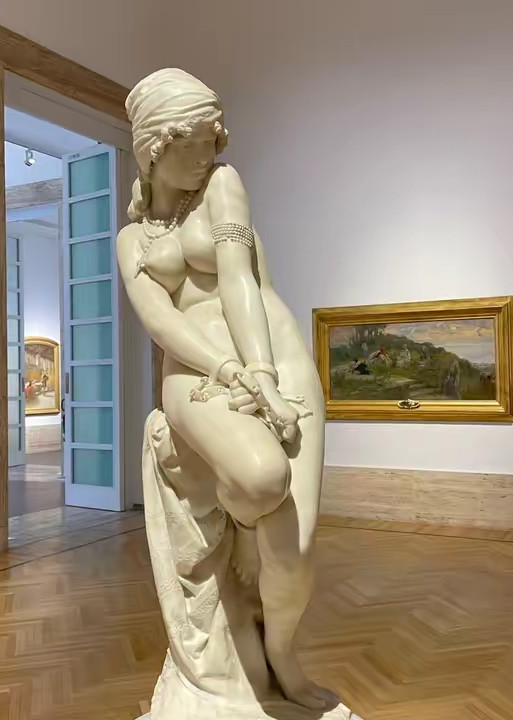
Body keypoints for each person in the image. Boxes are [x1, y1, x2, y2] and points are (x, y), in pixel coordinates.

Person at [116, 69, 330, 712]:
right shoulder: (132, 239)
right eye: (192, 145)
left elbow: (238, 279)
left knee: (296, 553)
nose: (207, 156)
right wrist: (229, 371)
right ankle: (241, 521)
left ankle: (282, 653)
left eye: (213, 140)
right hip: (195, 374)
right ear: (153, 149)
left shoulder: (223, 185)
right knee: (262, 479)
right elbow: (160, 321)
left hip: (276, 357)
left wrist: (261, 374)